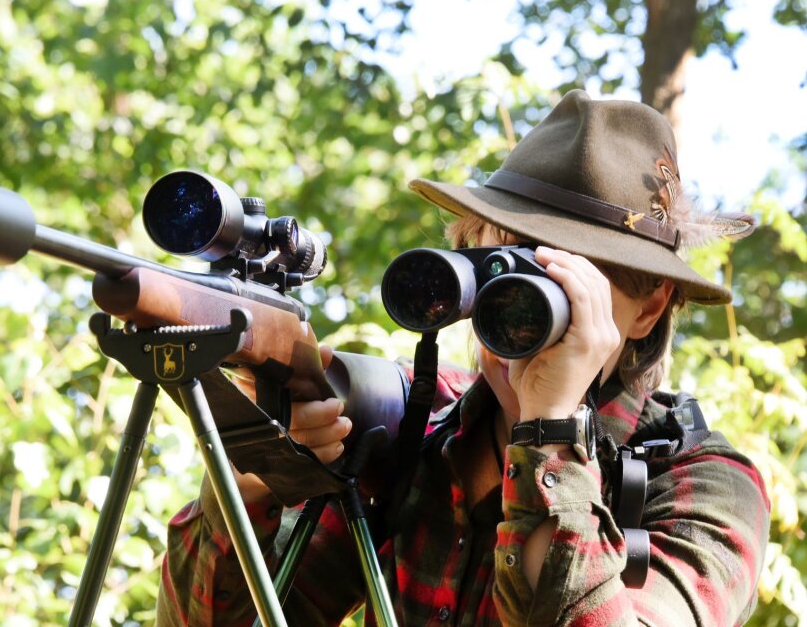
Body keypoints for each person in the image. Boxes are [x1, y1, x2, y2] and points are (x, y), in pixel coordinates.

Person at [156, 90, 770, 626]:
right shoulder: (412, 437)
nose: (522, 306)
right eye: (504, 262)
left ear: (649, 304)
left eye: (563, 273)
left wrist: (551, 433)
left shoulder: (708, 490)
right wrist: (254, 478)